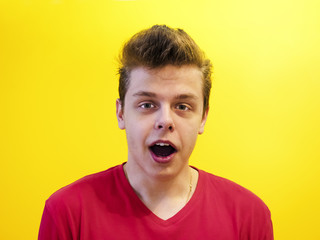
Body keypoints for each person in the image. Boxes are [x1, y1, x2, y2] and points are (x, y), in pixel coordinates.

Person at [38, 25, 273, 239]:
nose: (165, 121)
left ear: (203, 118)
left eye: (182, 106)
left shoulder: (249, 216)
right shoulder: (67, 212)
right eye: (147, 104)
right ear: (121, 114)